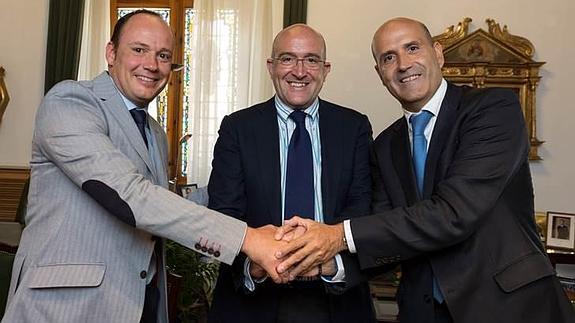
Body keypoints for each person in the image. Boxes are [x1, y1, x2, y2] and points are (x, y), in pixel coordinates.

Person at [274, 17, 575, 323]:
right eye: (388, 57)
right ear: (380, 74)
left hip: (508, 306)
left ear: (438, 53)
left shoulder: (493, 109)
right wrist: (321, 262)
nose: (403, 64)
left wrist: (337, 235)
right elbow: (380, 233)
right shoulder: (385, 146)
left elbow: (453, 212)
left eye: (412, 48)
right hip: (424, 312)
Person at [2, 10, 286, 323]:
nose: (151, 65)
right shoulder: (70, 102)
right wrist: (248, 239)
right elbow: (129, 195)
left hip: (142, 304)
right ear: (111, 53)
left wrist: (235, 178)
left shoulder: (154, 132)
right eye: (139, 50)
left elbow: (158, 206)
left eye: (163, 55)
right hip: (67, 307)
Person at [207, 24, 376, 323]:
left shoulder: (354, 128)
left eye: (311, 60)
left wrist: (328, 262)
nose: (299, 71)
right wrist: (253, 264)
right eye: (288, 58)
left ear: (325, 69)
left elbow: (362, 210)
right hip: (253, 299)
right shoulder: (237, 128)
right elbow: (224, 213)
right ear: (271, 67)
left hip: (336, 298)